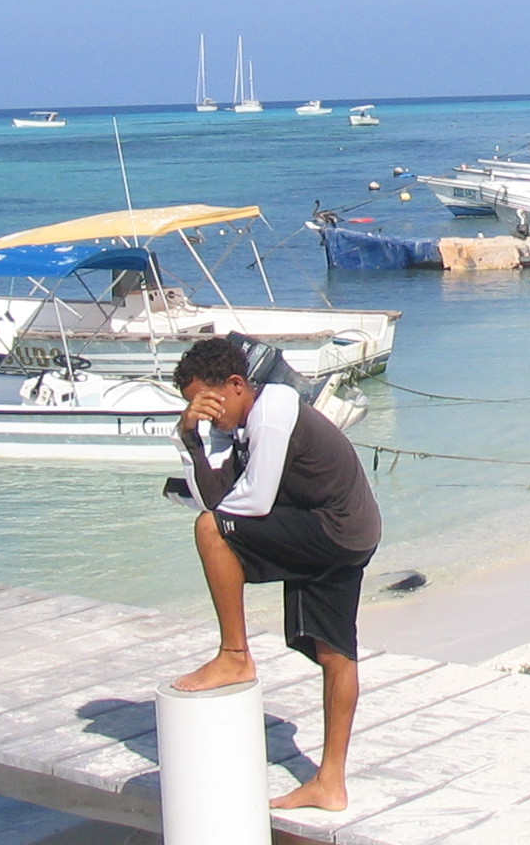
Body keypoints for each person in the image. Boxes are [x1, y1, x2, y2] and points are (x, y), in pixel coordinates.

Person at [168, 335, 381, 812]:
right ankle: (330, 785)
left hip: (335, 530)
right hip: (347, 529)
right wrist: (189, 438)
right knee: (335, 654)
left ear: (236, 384)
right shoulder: (238, 424)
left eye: (207, 403)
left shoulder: (271, 410)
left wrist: (219, 519)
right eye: (195, 407)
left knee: (209, 530)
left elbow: (251, 503)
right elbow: (215, 498)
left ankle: (234, 654)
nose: (207, 414)